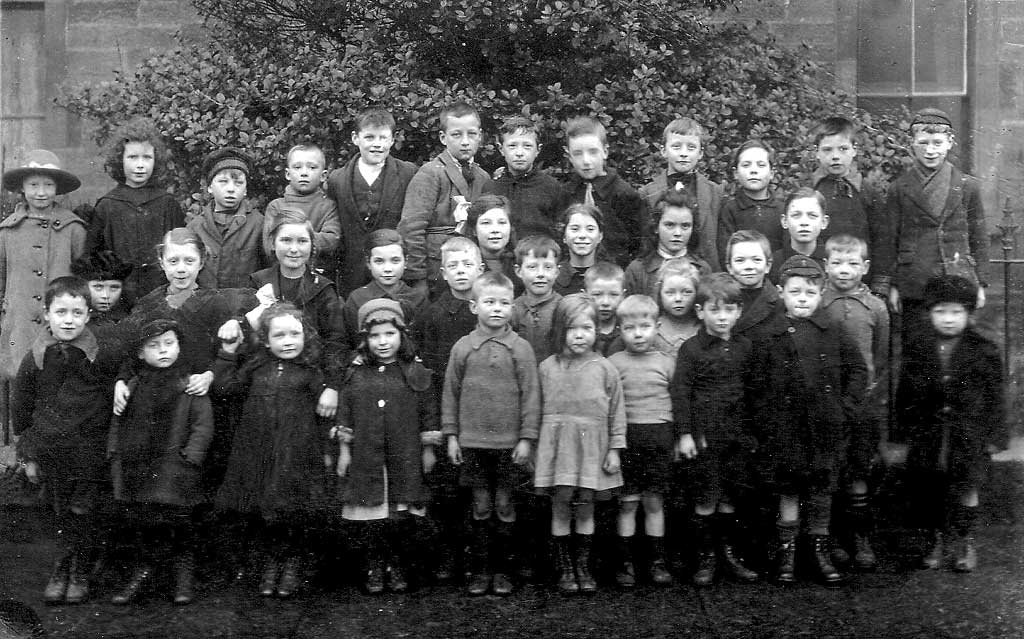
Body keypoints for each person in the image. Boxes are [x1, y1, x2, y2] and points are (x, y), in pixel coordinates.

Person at [755, 255, 867, 586]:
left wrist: (843, 407)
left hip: (824, 426)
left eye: (810, 292)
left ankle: (820, 551)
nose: (802, 299)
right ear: (781, 292)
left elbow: (858, 371)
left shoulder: (833, 329)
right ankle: (787, 555)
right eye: (795, 292)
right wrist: (768, 422)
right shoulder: (769, 335)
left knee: (821, 489)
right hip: (786, 429)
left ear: (821, 294)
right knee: (789, 490)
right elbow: (757, 385)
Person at [10, 277, 120, 604]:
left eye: (76, 312)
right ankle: (61, 567)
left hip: (89, 450)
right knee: (58, 511)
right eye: (61, 312)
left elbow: (122, 377)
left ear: (88, 316)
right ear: (47, 314)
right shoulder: (37, 357)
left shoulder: (101, 355)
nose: (68, 320)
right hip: (51, 451)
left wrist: (122, 385)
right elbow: (22, 409)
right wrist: (28, 455)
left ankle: (81, 570)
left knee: (83, 509)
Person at [214, 303, 335, 598]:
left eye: (295, 333)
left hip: (298, 454)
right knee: (265, 513)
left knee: (293, 511)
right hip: (260, 453)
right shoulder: (256, 367)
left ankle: (292, 565)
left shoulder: (310, 372)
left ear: (306, 336)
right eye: (279, 335)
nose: (289, 341)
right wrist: (227, 352)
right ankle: (271, 564)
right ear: (266, 341)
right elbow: (225, 388)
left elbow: (326, 413)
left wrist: (332, 390)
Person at [894, 275, 1006, 573]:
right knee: (930, 487)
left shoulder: (983, 349)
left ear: (969, 314)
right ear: (929, 313)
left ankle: (964, 541)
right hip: (929, 431)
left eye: (956, 312)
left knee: (967, 485)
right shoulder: (919, 347)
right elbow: (905, 391)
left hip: (967, 432)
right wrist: (903, 429)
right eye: (940, 311)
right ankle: (935, 542)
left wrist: (996, 434)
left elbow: (996, 396)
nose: (948, 319)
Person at [443, 271, 540, 596]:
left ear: (512, 307)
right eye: (489, 302)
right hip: (472, 443)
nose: (497, 309)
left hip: (509, 446)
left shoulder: (521, 348)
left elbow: (531, 395)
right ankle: (481, 571)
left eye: (504, 303)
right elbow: (450, 393)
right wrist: (452, 436)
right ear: (474, 306)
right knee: (480, 506)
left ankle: (504, 571)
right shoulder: (463, 347)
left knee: (504, 505)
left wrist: (526, 439)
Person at [107, 319, 214, 606]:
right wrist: (115, 452)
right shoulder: (134, 382)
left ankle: (182, 578)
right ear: (141, 354)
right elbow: (119, 418)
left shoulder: (189, 382)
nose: (163, 351)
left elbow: (202, 425)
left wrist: (190, 458)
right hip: (138, 466)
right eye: (153, 346)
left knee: (178, 524)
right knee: (144, 524)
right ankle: (143, 574)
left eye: (169, 344)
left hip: (175, 468)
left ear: (179, 347)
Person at [335, 299, 440, 594]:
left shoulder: (414, 371)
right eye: (375, 336)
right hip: (367, 455)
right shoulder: (356, 374)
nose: (382, 342)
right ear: (365, 339)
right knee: (373, 516)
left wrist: (428, 449)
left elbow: (428, 411)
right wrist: (344, 451)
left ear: (401, 335)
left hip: (404, 453)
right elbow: (345, 412)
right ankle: (374, 564)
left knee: (399, 515)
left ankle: (396, 563)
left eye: (389, 335)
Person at [670, 273, 760, 587]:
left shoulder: (745, 346)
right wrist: (684, 434)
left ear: (738, 312)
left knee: (731, 496)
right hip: (703, 436)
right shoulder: (691, 349)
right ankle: (705, 559)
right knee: (705, 496)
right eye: (714, 310)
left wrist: (750, 434)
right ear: (700, 312)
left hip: (736, 434)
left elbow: (751, 391)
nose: (722, 317)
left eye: (728, 310)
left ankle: (729, 555)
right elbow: (681, 393)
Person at [534, 294, 626, 594]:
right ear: (561, 330)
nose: (579, 335)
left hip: (592, 449)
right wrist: (535, 449)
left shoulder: (605, 368)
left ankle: (583, 564)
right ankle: (565, 567)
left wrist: (614, 449)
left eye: (586, 328)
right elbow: (535, 411)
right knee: (561, 505)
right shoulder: (547, 367)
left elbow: (616, 412)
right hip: (558, 449)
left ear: (596, 330)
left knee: (585, 506)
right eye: (572, 328)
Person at [877, 108, 988, 339]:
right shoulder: (900, 188)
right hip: (915, 284)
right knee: (917, 350)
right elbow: (889, 240)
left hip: (957, 278)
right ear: (911, 144)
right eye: (923, 143)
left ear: (950, 143)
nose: (930, 150)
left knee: (959, 350)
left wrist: (980, 283)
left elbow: (979, 236)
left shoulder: (968, 186)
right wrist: (893, 286)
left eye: (937, 143)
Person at [411, 235, 484, 582]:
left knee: (480, 485)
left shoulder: (489, 310)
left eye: (467, 265)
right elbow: (426, 375)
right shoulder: (432, 314)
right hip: (446, 411)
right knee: (448, 488)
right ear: (442, 272)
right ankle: (450, 554)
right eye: (453, 266)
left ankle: (478, 556)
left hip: (484, 414)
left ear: (481, 269)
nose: (460, 272)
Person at [820, 234, 890, 571]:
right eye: (836, 263)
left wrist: (869, 391)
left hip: (862, 402)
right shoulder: (819, 302)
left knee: (859, 467)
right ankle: (832, 538)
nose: (844, 270)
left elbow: (880, 352)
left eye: (852, 264)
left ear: (864, 267)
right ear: (825, 266)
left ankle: (860, 537)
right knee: (831, 468)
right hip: (831, 400)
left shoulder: (876, 307)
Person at [114, 228, 238, 414]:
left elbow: (227, 350)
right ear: (161, 262)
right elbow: (132, 350)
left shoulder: (216, 303)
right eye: (173, 261)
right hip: (156, 401)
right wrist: (121, 381)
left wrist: (209, 375)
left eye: (189, 261)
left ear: (201, 262)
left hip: (199, 400)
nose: (181, 269)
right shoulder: (149, 303)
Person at [0, 150, 86, 400]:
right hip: (19, 326)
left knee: (58, 385)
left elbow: (83, 280)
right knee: (21, 386)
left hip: (62, 325)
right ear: (22, 188)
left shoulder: (74, 229)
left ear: (57, 188)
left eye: (48, 185)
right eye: (34, 184)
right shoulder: (7, 232)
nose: (41, 192)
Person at [607, 295, 676, 588]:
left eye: (645, 326)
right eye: (630, 327)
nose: (638, 333)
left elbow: (678, 402)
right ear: (620, 330)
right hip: (627, 441)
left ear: (657, 327)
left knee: (654, 501)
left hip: (659, 440)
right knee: (627, 503)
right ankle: (626, 564)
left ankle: (656, 562)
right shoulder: (612, 363)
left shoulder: (667, 363)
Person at [86, 117, 185, 302]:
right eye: (132, 157)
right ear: (120, 160)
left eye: (147, 157)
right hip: (119, 297)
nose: (140, 165)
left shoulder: (167, 204)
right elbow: (93, 258)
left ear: (156, 160)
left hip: (161, 293)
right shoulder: (107, 206)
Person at [398, 102, 490, 297]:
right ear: (443, 137)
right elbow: (411, 228)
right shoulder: (430, 174)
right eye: (456, 135)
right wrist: (417, 278)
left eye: (472, 134)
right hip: (435, 269)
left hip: (469, 269)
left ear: (480, 136)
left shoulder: (483, 177)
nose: (465, 141)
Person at [327, 109, 418, 297]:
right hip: (352, 273)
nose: (377, 144)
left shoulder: (408, 173)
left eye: (383, 138)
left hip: (392, 272)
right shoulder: (337, 179)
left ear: (392, 140)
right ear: (355, 138)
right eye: (369, 137)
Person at [639, 117, 724, 270]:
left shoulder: (714, 192)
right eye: (676, 146)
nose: (684, 153)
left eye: (691, 148)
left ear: (700, 153)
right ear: (664, 150)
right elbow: (646, 243)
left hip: (705, 273)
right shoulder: (648, 193)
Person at [561, 117, 644, 267]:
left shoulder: (624, 193)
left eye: (593, 152)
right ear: (569, 156)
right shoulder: (566, 193)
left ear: (605, 152)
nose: (586, 160)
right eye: (578, 153)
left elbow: (637, 242)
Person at [186, 147, 267, 289]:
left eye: (238, 183)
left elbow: (268, 269)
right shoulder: (195, 227)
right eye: (223, 181)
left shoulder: (259, 224)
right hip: (204, 304)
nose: (231, 189)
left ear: (246, 189)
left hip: (244, 304)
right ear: (210, 187)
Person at [808, 116, 885, 264]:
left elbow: (882, 240)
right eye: (827, 150)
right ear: (817, 152)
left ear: (854, 150)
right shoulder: (809, 191)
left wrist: (880, 282)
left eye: (843, 149)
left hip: (860, 274)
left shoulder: (868, 192)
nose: (835, 156)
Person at [481, 115, 569, 240]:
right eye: (512, 146)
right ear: (501, 149)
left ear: (538, 150)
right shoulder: (491, 187)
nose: (519, 153)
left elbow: (560, 230)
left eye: (527, 146)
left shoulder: (551, 187)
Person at [262, 143, 341, 281]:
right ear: (287, 173)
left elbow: (331, 240)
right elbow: (269, 245)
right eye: (297, 167)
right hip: (281, 275)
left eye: (312, 167)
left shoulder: (328, 206)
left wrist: (290, 239)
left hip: (318, 276)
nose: (304, 172)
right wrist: (304, 240)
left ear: (323, 176)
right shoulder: (276, 207)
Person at [340, 229, 428, 349]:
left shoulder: (417, 298)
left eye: (395, 261)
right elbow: (351, 342)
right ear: (368, 263)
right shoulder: (357, 299)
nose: (387, 268)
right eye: (379, 261)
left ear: (406, 261)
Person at [624, 189, 710, 299]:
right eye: (670, 225)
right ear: (656, 227)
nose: (677, 233)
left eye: (685, 226)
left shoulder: (702, 269)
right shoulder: (637, 271)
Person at [717, 140, 786, 257]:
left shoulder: (782, 209)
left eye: (761, 165)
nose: (753, 170)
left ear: (772, 173)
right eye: (746, 165)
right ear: (736, 173)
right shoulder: (730, 209)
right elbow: (725, 251)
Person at [725, 230, 784, 345]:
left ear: (768, 265)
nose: (749, 266)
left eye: (756, 260)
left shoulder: (779, 303)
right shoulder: (721, 299)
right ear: (729, 267)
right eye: (740, 260)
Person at [510, 235, 563, 363]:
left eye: (548, 267)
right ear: (518, 271)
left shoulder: (564, 307)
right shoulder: (512, 308)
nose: (540, 274)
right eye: (532, 267)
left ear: (557, 271)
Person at [463, 194, 523, 295]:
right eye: (486, 223)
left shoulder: (522, 264)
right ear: (474, 230)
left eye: (502, 222)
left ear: (511, 227)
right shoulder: (462, 266)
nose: (495, 230)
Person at [768, 187, 829, 284]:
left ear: (824, 222)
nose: (804, 222)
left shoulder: (832, 260)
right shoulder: (774, 263)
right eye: (796, 215)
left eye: (812, 215)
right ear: (784, 221)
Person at [71, 250, 133, 331]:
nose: (106, 295)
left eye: (114, 287)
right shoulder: (70, 320)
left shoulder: (129, 320)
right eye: (98, 287)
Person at [651, 258, 701, 358]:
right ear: (660, 293)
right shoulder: (651, 329)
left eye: (687, 292)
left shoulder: (704, 328)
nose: (678, 299)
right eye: (670, 292)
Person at [555, 203, 606, 295]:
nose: (582, 235)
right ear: (564, 236)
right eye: (575, 229)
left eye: (590, 229)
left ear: (600, 236)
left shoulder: (610, 275)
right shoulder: (553, 276)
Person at [584, 261, 626, 357]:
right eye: (597, 295)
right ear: (584, 294)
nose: (605, 302)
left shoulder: (627, 328)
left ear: (623, 295)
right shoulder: (580, 329)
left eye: (613, 295)